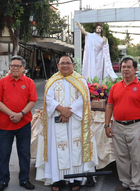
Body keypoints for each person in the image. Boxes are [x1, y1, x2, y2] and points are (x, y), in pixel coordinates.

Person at [35, 55, 98, 191]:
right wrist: (62, 110)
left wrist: (69, 111)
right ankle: (57, 180)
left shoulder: (80, 80)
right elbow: (48, 99)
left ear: (73, 65)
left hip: (75, 121)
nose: (65, 65)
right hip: (56, 121)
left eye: (67, 63)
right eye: (62, 63)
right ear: (58, 66)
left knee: (75, 149)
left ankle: (75, 178)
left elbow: (84, 99)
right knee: (56, 150)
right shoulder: (52, 81)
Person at [105, 57, 140, 191]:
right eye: (123, 67)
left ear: (135, 70)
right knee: (121, 156)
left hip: (136, 126)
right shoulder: (115, 87)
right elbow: (109, 106)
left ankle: (136, 185)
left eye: (128, 67)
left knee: (137, 157)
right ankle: (125, 183)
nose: (125, 69)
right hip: (118, 126)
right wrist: (107, 125)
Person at [0, 56, 37, 191]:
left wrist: (21, 114)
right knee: (3, 153)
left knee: (24, 153)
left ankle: (24, 179)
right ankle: (3, 180)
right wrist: (11, 114)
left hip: (23, 123)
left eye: (18, 66)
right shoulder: (2, 82)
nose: (15, 68)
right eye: (13, 65)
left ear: (24, 68)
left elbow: (32, 101)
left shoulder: (29, 82)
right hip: (5, 124)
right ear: (9, 67)